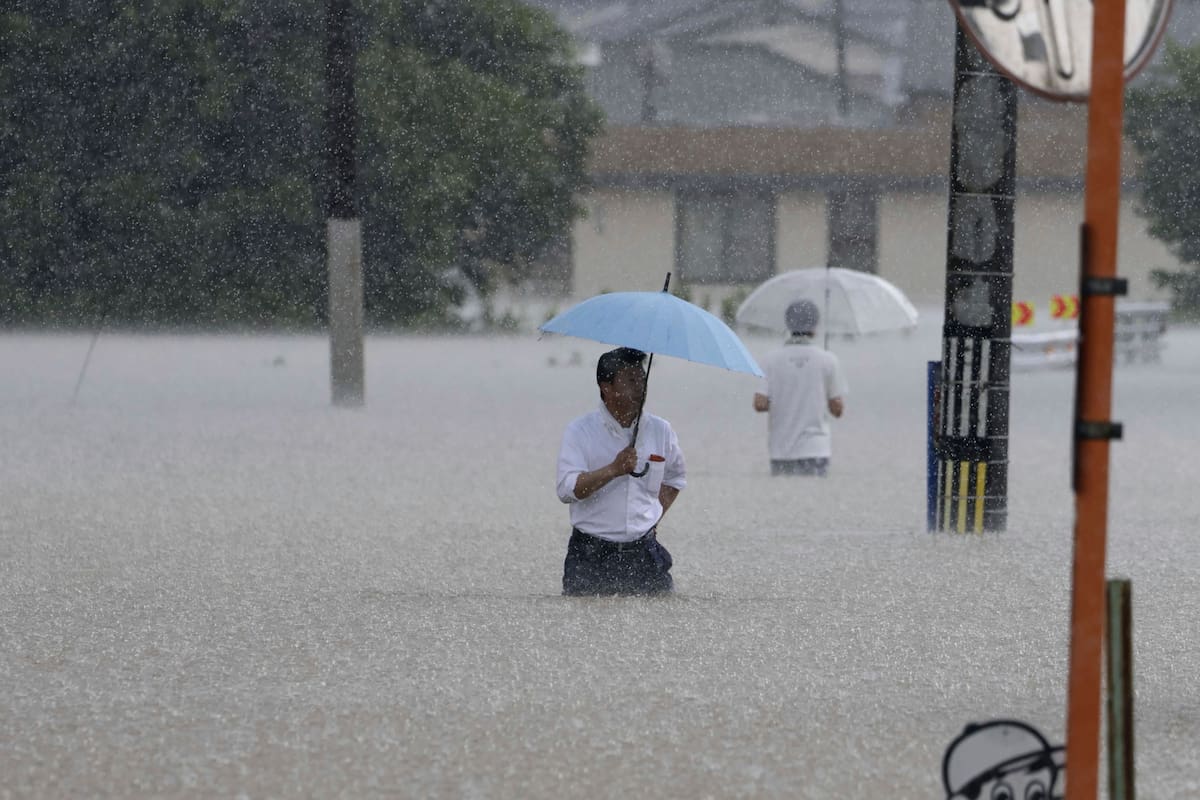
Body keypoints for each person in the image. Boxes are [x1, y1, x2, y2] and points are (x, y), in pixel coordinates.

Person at [556, 347, 686, 595]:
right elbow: (566, 489)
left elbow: (675, 478)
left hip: (644, 554)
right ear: (607, 387)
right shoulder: (580, 431)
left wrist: (652, 517)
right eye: (630, 380)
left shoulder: (661, 430)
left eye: (642, 378)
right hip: (590, 556)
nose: (640, 387)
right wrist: (613, 470)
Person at [753, 299, 848, 476]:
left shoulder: (770, 360)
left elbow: (759, 404)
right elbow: (837, 409)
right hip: (816, 450)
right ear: (815, 325)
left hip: (781, 450)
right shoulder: (828, 360)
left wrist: (784, 397)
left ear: (787, 323)